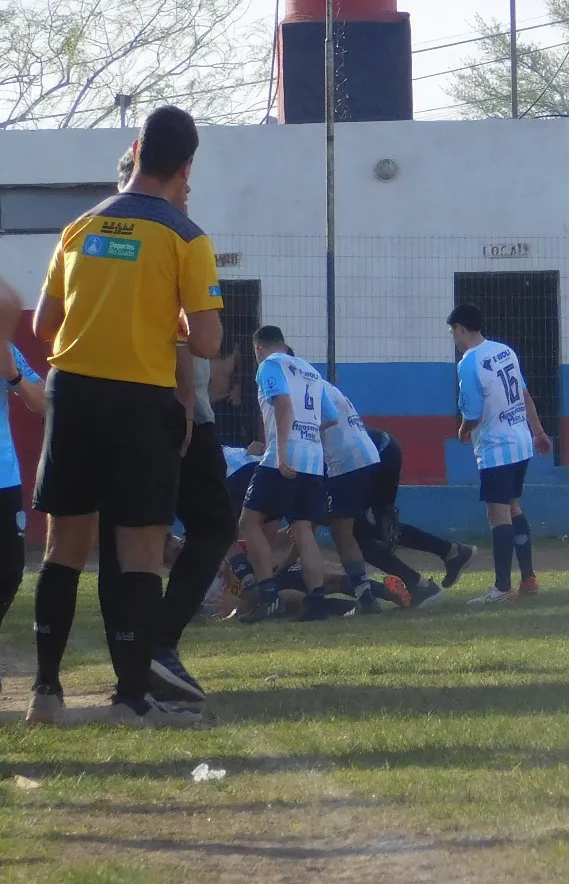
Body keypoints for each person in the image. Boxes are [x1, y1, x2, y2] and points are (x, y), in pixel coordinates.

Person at [26, 105, 223, 727]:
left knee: (63, 546)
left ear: (136, 149)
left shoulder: (79, 227)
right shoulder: (185, 237)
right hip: (138, 402)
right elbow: (209, 343)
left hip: (73, 394)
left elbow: (43, 325)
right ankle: (132, 700)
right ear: (186, 166)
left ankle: (46, 694)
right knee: (138, 550)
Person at [95, 146, 237, 706]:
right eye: (185, 177)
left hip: (126, 405)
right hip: (165, 408)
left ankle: (143, 657)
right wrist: (183, 396)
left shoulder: (103, 233)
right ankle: (150, 652)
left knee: (131, 536)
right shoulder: (162, 237)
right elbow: (182, 336)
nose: (189, 187)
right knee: (152, 533)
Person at [448, 304, 552, 606]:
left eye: (453, 331)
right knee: (514, 507)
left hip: (497, 447)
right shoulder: (505, 351)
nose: (454, 337)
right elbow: (523, 394)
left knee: (498, 514)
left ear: (460, 328)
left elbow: (473, 412)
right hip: (521, 442)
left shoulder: (469, 362)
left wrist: (464, 429)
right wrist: (539, 431)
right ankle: (528, 577)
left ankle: (502, 587)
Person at [237, 328, 330, 623]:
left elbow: (282, 404)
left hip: (285, 457)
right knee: (302, 528)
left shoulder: (269, 365)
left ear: (257, 350)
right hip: (314, 460)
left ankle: (268, 595)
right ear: (285, 345)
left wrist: (282, 450)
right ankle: (318, 601)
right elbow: (329, 417)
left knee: (248, 522)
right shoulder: (310, 371)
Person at [359, 427, 471, 601]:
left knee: (357, 534)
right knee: (375, 528)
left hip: (375, 456)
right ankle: (450, 553)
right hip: (383, 448)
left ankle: (420, 584)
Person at [318, 378, 389, 615]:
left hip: (346, 461)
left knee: (341, 531)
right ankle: (370, 594)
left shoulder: (300, 386)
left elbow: (324, 423)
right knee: (351, 528)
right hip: (367, 453)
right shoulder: (323, 383)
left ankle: (366, 598)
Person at [0, 340, 45, 695]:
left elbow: (43, 401)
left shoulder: (5, 348)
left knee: (10, 571)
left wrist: (14, 377)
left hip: (4, 479)